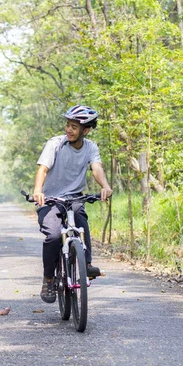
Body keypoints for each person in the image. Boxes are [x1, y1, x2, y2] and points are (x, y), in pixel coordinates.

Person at [33, 105, 113, 304]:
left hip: (74, 198)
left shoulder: (91, 147)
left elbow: (96, 168)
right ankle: (48, 279)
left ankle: (86, 264)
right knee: (52, 236)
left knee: (81, 224)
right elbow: (43, 169)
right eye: (68, 125)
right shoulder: (55, 144)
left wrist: (105, 185)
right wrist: (38, 190)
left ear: (85, 131)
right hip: (50, 199)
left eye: (74, 127)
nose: (69, 130)